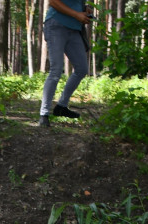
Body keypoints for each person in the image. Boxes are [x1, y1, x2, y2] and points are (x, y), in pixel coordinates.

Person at [38, 0, 91, 128]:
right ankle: (44, 114)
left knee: (82, 68)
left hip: (74, 29)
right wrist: (76, 14)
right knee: (56, 70)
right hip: (56, 24)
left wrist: (84, 9)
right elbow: (53, 2)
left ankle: (61, 106)